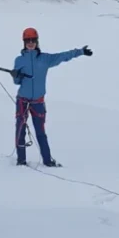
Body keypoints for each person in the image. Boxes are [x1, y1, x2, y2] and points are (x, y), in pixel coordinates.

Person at [11, 27, 92, 167]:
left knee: (41, 133)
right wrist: (16, 76)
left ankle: (48, 161)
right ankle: (21, 161)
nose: (30, 43)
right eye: (27, 40)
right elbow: (17, 82)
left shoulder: (46, 59)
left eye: (33, 40)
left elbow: (63, 56)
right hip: (22, 101)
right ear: (24, 42)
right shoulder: (19, 60)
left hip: (38, 102)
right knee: (20, 130)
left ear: (37, 41)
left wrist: (80, 52)